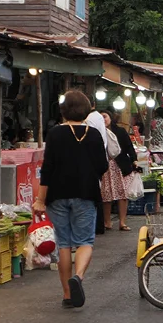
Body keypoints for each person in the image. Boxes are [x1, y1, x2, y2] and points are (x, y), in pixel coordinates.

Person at [34, 91, 108, 308]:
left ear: (64, 111)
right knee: (85, 241)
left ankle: (67, 294)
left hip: (57, 195)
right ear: (86, 109)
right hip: (85, 193)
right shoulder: (93, 134)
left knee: (64, 244)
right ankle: (79, 277)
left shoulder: (55, 134)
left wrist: (40, 200)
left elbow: (47, 170)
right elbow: (102, 166)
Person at [98, 110, 133, 232]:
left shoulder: (120, 131)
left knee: (122, 194)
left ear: (110, 118)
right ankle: (107, 222)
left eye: (105, 117)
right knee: (106, 195)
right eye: (100, 117)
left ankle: (122, 222)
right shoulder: (96, 133)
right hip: (104, 168)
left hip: (120, 167)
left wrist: (134, 161)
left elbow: (129, 147)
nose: (103, 119)